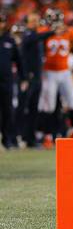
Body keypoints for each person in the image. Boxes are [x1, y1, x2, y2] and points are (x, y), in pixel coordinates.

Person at [36, 9, 73, 148]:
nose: (55, 23)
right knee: (49, 106)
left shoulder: (69, 32)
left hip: (65, 71)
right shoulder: (44, 32)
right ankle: (48, 136)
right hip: (49, 72)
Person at [18, 13, 56, 148]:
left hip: (37, 77)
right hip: (29, 77)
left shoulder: (35, 36)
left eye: (36, 20)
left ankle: (31, 139)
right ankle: (20, 136)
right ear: (27, 23)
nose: (35, 23)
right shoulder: (28, 35)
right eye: (32, 21)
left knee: (34, 109)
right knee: (25, 107)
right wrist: (53, 31)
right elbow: (37, 37)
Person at [0, 13, 26, 149]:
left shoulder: (9, 41)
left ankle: (7, 139)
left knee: (7, 110)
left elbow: (19, 61)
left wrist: (24, 78)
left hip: (6, 81)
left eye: (2, 22)